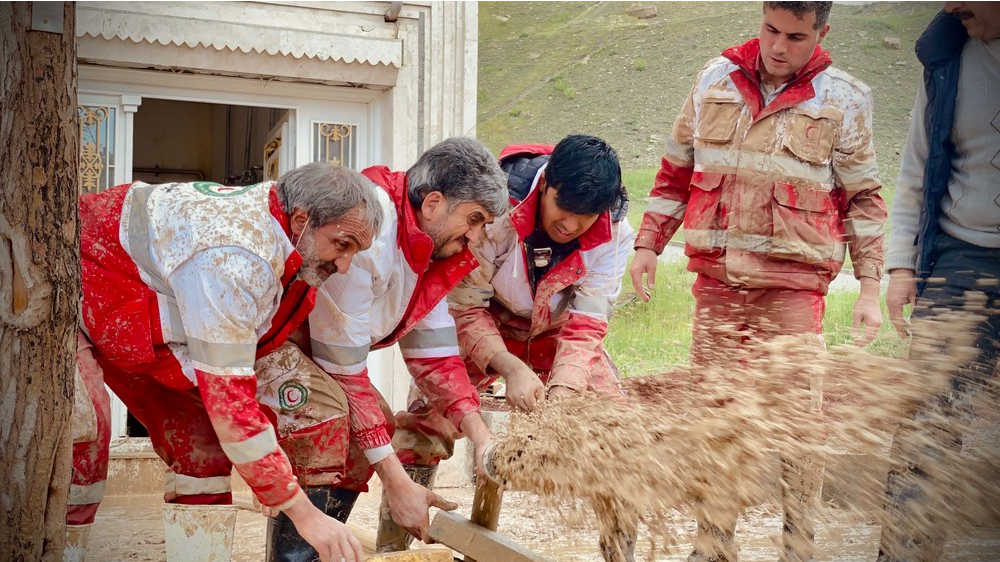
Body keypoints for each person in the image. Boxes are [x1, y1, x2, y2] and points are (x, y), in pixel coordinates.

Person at [627, 2, 887, 561]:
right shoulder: (713, 80)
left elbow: (864, 198)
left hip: (793, 290)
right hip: (717, 284)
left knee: (798, 421)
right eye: (770, 30)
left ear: (821, 32)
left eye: (795, 36)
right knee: (715, 415)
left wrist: (869, 287)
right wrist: (649, 243)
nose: (777, 46)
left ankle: (798, 546)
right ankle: (713, 545)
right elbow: (675, 169)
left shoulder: (845, 98)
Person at [66, 163, 387, 562]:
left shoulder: (281, 229)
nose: (344, 265)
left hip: (141, 323)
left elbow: (248, 365)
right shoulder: (236, 255)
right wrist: (303, 513)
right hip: (70, 298)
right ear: (302, 220)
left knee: (204, 450)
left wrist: (271, 474)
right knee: (81, 446)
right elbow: (232, 404)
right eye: (342, 245)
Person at [282, 137, 510, 556]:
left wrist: (481, 438)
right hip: (275, 341)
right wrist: (396, 482)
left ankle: (317, 550)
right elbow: (344, 374)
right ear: (434, 202)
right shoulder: (372, 235)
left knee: (372, 427)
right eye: (473, 219)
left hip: (323, 355)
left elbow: (436, 355)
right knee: (329, 420)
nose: (477, 237)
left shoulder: (432, 247)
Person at [441, 134, 636, 561]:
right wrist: (509, 367)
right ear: (546, 185)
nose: (570, 225)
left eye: (585, 218)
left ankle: (619, 555)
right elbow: (466, 306)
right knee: (428, 416)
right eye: (563, 210)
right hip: (485, 314)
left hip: (556, 330)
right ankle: (399, 539)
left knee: (619, 432)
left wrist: (564, 393)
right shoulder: (495, 208)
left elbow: (587, 324)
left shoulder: (616, 233)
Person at [876, 3, 1000, 561]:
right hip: (960, 255)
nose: (949, 4)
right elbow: (916, 168)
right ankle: (905, 553)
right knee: (929, 417)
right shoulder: (946, 57)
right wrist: (902, 265)